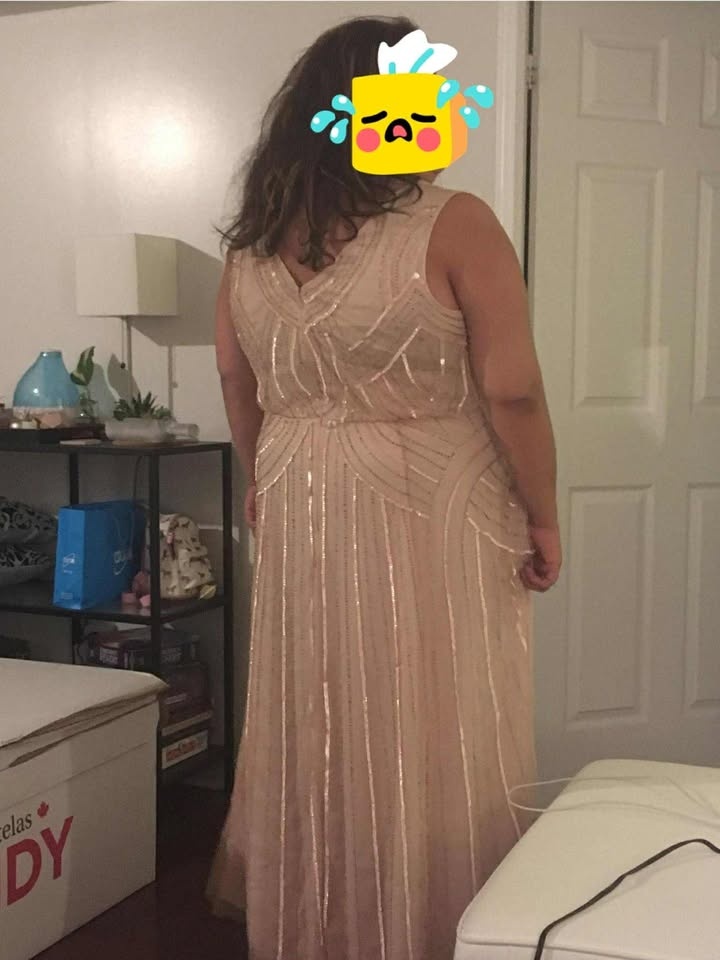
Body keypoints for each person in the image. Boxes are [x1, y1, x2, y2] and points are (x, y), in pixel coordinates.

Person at [208, 14, 561, 960]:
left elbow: (236, 378)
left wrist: (260, 478)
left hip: (298, 486)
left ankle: (321, 923)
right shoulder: (455, 222)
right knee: (439, 715)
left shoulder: (250, 247)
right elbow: (513, 389)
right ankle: (443, 930)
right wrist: (546, 515)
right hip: (432, 498)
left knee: (318, 709)